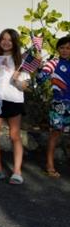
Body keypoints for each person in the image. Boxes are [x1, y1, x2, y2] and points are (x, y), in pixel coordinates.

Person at [0, 29, 30, 184]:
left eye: (9, 40)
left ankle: (17, 172)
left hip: (14, 101)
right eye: (3, 39)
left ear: (14, 42)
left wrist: (17, 80)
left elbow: (24, 86)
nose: (6, 42)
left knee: (14, 136)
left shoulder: (21, 61)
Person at [45, 36, 70, 178]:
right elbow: (42, 76)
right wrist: (42, 73)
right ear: (58, 49)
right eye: (62, 48)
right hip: (59, 104)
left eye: (68, 48)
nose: (65, 51)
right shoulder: (53, 63)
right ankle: (49, 165)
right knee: (55, 133)